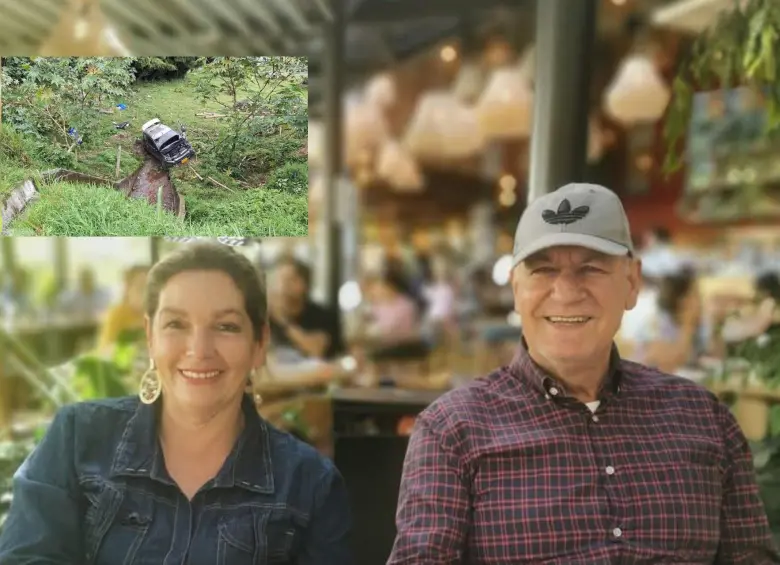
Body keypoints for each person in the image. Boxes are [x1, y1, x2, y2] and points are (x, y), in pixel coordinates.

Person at [388, 183, 778, 564]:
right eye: (543, 270)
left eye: (590, 268)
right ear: (516, 289)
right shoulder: (452, 432)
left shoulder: (705, 420)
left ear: (632, 282)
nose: (567, 291)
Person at [0, 242, 353, 565]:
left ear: (259, 343)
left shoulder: (310, 484)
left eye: (226, 326)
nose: (199, 350)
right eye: (176, 324)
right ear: (150, 336)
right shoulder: (76, 439)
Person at [268, 255, 344, 360]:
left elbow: (316, 350)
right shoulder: (263, 318)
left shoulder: (324, 316)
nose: (282, 287)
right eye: (278, 280)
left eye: (290, 280)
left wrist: (283, 322)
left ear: (304, 285)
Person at [97, 264, 149, 352]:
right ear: (128, 289)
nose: (147, 294)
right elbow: (105, 350)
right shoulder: (117, 313)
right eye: (141, 288)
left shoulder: (159, 313)